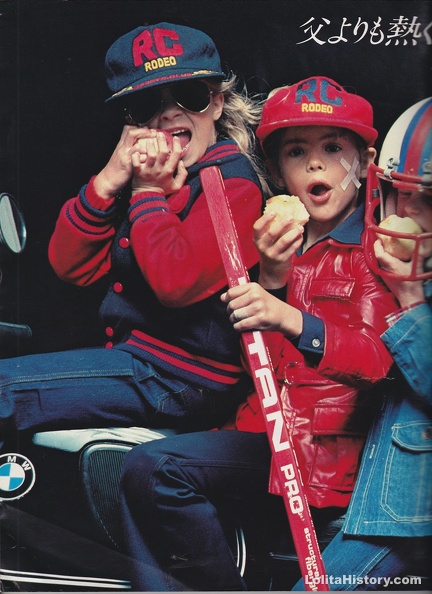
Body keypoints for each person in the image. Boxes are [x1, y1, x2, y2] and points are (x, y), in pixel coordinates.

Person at [119, 76, 399, 591]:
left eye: (333, 148)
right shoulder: (276, 241)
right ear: (275, 169)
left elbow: (377, 363)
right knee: (146, 470)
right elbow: (262, 369)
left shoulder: (376, 249)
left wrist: (287, 315)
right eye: (296, 152)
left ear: (364, 162)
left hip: (329, 460)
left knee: (155, 469)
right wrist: (271, 276)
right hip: (265, 441)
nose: (315, 165)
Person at [0, 22, 266, 453]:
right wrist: (109, 179)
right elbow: (72, 267)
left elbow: (176, 284)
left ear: (217, 103)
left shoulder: (231, 183)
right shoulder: (151, 178)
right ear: (131, 122)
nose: (170, 114)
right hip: (140, 367)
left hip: (183, 381)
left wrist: (146, 194)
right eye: (147, 105)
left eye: (190, 96)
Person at [293, 98, 432, 591]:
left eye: (427, 199)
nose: (406, 212)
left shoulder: (409, 285)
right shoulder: (384, 264)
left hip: (409, 513)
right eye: (398, 193)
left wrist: (411, 300)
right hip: (371, 496)